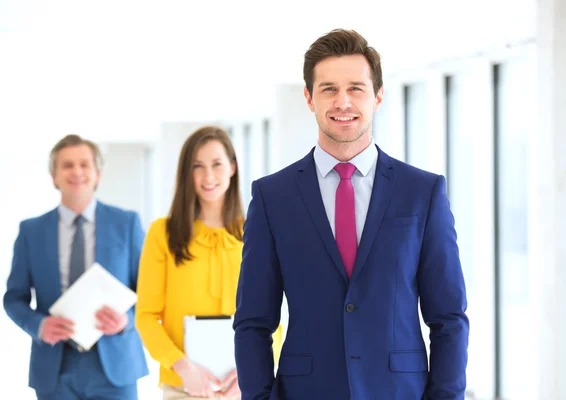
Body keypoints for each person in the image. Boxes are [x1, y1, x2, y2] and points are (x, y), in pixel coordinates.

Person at [234, 29, 469, 399]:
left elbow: (449, 318)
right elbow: (253, 322)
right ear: (309, 98)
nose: (342, 101)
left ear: (378, 95)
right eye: (328, 89)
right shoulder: (271, 197)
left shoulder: (422, 193)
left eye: (356, 88)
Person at [135, 126, 282, 400]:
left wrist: (254, 370)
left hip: (243, 387)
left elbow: (273, 317)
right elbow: (145, 316)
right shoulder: (162, 234)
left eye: (217, 164)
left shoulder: (258, 231)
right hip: (182, 386)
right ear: (186, 173)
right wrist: (182, 366)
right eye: (197, 166)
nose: (208, 176)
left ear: (233, 167)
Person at [3, 134, 149, 399]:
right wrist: (38, 325)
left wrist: (127, 320)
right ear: (54, 176)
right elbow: (14, 297)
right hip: (54, 368)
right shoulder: (31, 231)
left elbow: (150, 292)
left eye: (84, 164)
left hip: (116, 366)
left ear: (98, 174)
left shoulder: (126, 223)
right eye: (67, 165)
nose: (77, 171)